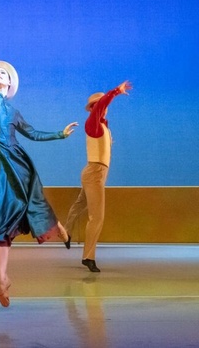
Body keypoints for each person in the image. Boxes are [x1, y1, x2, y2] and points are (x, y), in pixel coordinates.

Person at [0, 29, 78, 307]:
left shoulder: (13, 112)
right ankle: (2, 279)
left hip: (16, 159)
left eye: (3, 73)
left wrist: (60, 134)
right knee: (0, 218)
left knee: (31, 197)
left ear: (10, 83)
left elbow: (32, 133)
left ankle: (56, 226)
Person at [63, 80, 132, 273]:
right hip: (95, 173)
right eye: (100, 105)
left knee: (80, 204)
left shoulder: (102, 126)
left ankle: (66, 232)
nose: (104, 108)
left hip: (95, 173)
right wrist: (116, 91)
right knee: (97, 217)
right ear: (94, 108)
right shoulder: (93, 122)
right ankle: (88, 257)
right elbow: (101, 105)